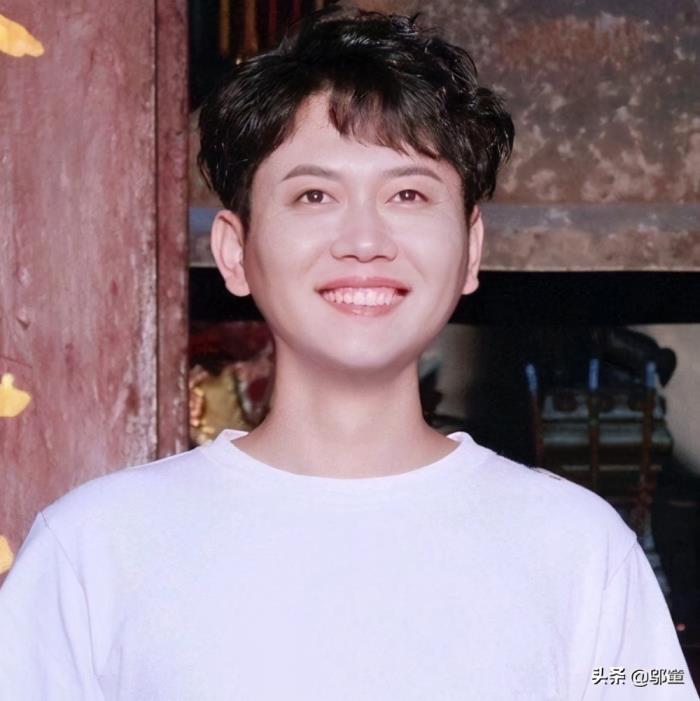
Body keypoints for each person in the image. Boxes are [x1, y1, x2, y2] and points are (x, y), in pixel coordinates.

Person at [0, 7, 697, 700]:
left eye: (408, 193)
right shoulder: (91, 549)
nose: (365, 241)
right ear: (234, 251)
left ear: (471, 249)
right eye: (314, 194)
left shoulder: (584, 550)